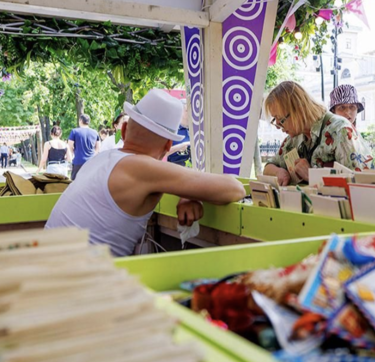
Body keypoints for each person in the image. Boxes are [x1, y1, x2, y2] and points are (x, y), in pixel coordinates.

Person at [46, 89, 245, 257]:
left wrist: (187, 192)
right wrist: (189, 192)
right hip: (76, 291)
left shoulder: (98, 161)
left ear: (123, 131)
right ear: (168, 146)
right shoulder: (142, 168)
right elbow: (234, 188)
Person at [263, 81, 374, 186]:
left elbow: (360, 183)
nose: (278, 127)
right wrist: (278, 172)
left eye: (281, 120)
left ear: (299, 110)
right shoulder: (294, 138)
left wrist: (312, 176)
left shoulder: (340, 130)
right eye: (275, 121)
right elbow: (268, 166)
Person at [68, 114, 100, 180]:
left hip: (78, 161)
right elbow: (98, 147)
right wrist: (94, 154)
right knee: (90, 182)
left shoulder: (74, 131)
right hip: (91, 161)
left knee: (75, 182)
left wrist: (74, 153)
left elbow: (70, 145)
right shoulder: (95, 132)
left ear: (80, 121)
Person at [166, 100, 191, 167]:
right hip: (174, 168)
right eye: (187, 110)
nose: (190, 112)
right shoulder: (172, 129)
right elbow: (162, 153)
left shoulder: (197, 128)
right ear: (180, 111)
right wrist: (180, 146)